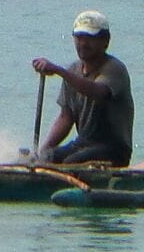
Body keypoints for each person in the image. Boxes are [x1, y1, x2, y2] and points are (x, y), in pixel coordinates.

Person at [33, 9, 134, 166]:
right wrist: (42, 152)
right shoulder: (73, 71)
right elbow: (66, 118)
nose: (83, 43)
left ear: (105, 41)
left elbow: (98, 92)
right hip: (83, 144)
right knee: (48, 158)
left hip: (113, 149)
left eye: (90, 38)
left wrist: (59, 71)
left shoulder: (114, 69)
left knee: (72, 162)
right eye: (79, 38)